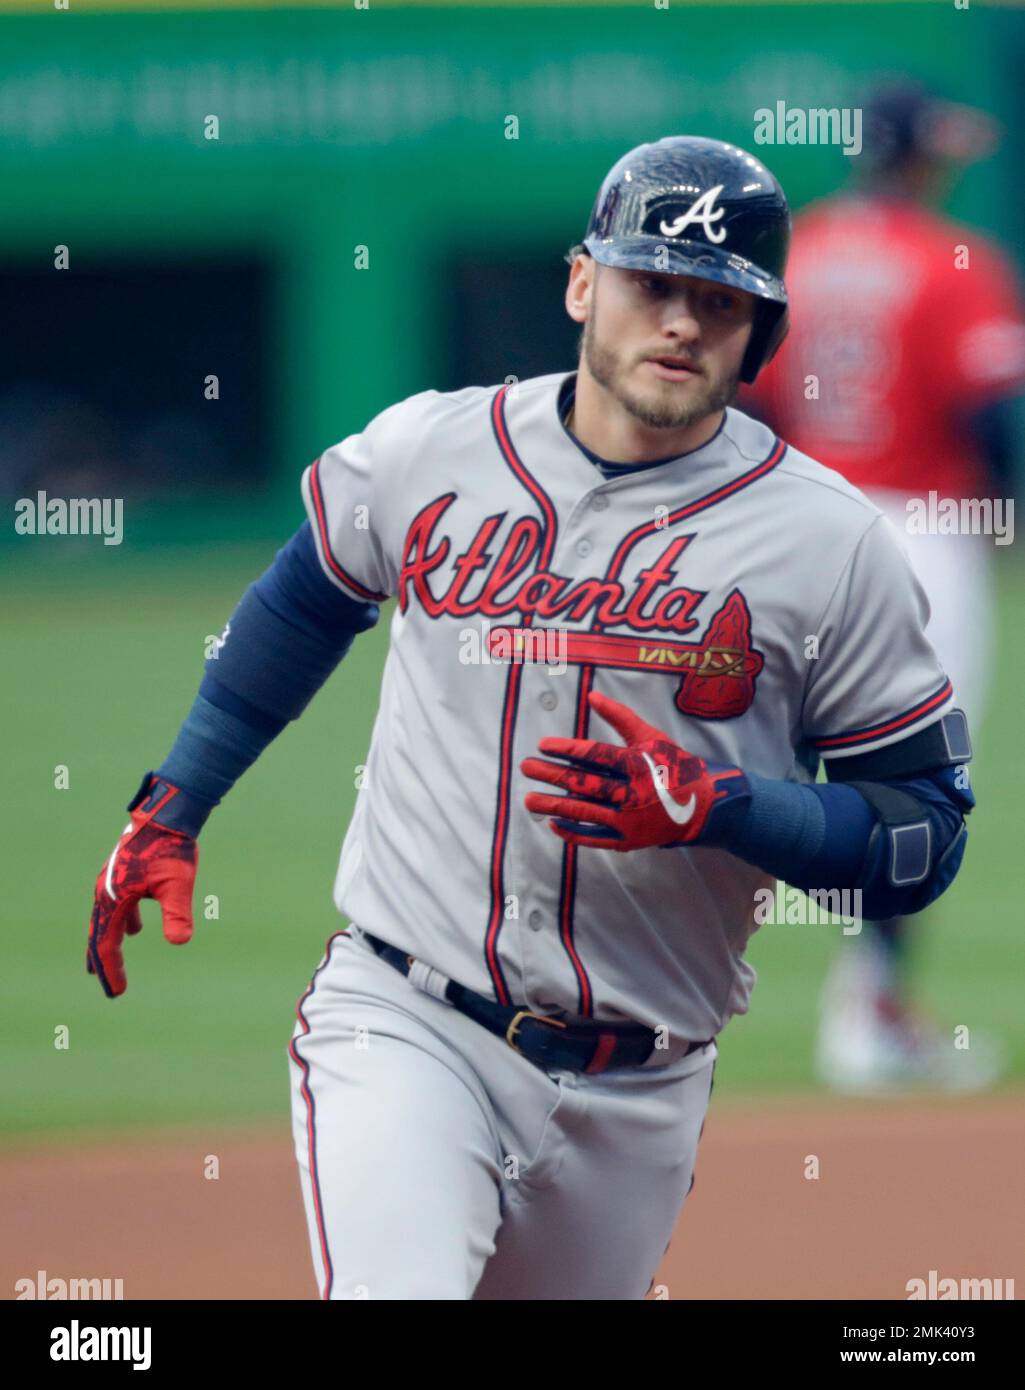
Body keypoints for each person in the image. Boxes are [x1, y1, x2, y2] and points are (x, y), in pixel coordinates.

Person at [87, 136, 976, 1299]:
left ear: (761, 333)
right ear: (578, 284)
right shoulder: (430, 451)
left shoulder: (829, 542)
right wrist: (175, 801)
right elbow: (303, 600)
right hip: (406, 1018)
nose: (679, 322)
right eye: (649, 283)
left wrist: (724, 808)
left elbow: (919, 836)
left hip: (642, 1083)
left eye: (718, 301)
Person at [747, 83, 1025, 1092]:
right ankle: (871, 1012)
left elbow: (752, 400)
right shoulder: (951, 261)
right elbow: (989, 416)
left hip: (808, 522)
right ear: (918, 158)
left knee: (801, 762)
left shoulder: (799, 249)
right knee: (918, 781)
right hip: (921, 529)